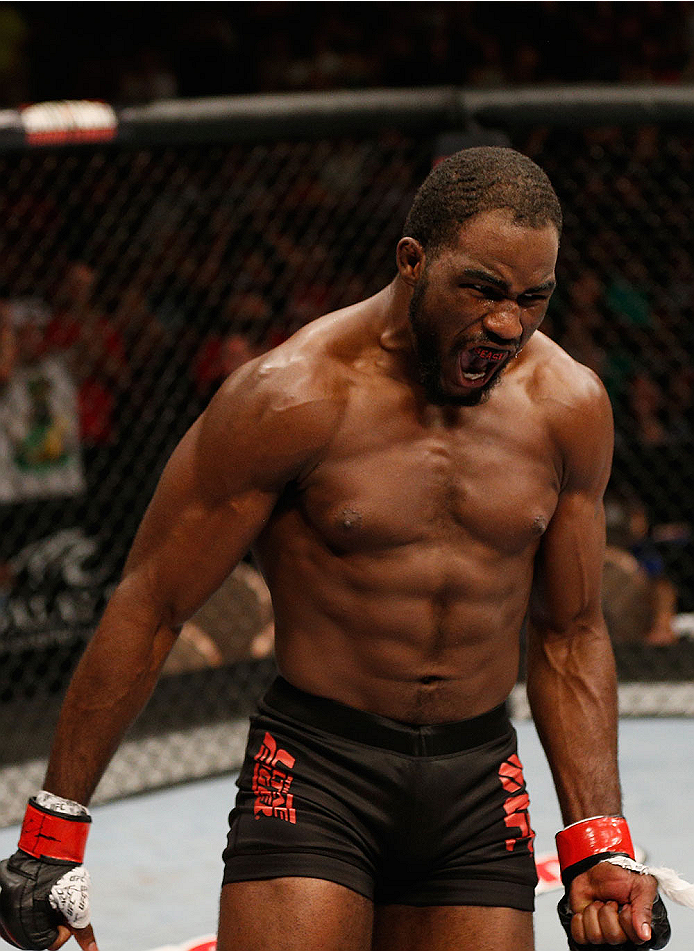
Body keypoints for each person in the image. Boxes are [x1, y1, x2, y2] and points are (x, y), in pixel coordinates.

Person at [0, 147, 668, 951]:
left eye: (533, 298)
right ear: (412, 262)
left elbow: (571, 632)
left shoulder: (569, 407)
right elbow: (152, 602)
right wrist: (53, 829)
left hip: (476, 775)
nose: (507, 324)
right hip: (316, 771)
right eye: (484, 289)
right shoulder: (289, 397)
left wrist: (598, 834)